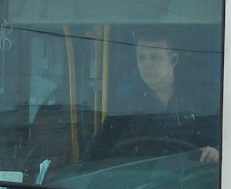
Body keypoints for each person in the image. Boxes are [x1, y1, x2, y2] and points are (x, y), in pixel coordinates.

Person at [90, 30, 219, 163]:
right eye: (141, 57)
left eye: (154, 57)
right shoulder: (125, 106)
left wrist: (216, 153)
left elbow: (229, 148)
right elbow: (95, 157)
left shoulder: (201, 101)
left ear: (173, 60)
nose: (147, 64)